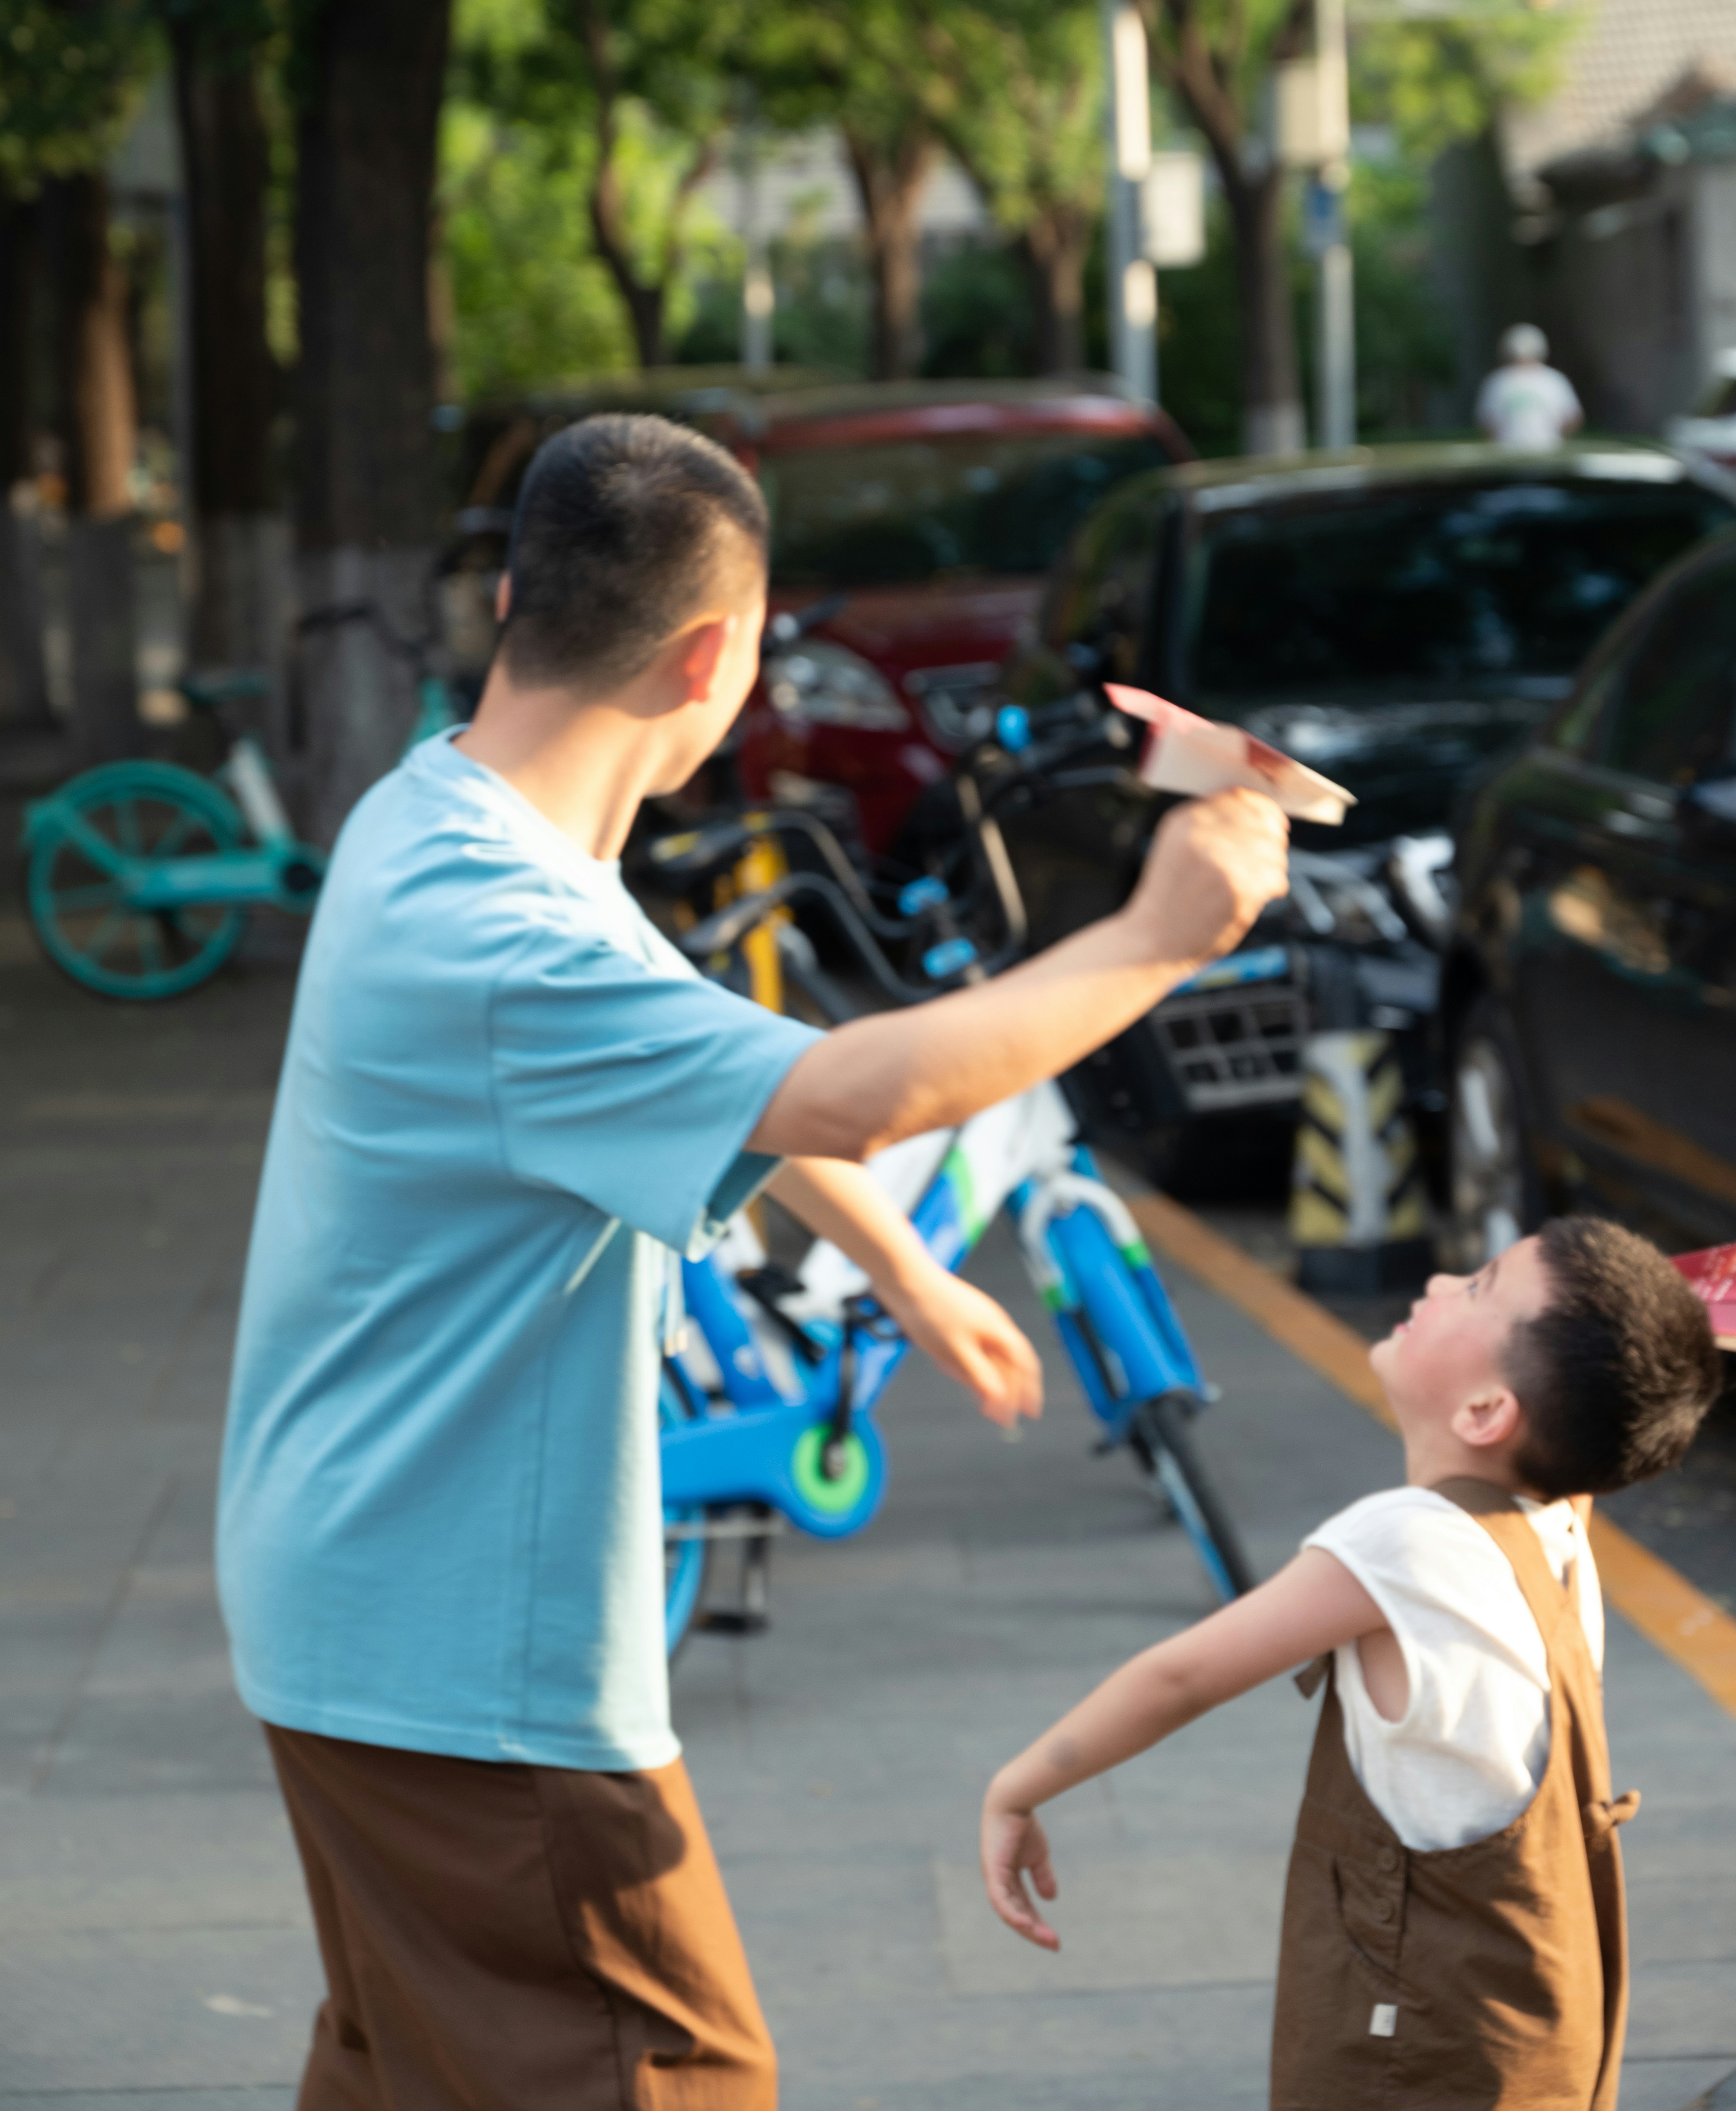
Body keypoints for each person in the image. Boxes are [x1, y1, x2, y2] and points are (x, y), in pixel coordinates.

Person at [217, 411, 1289, 2111]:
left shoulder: (441, 820)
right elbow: (848, 1093)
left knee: (416, 2066)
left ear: (514, 593)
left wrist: (921, 1281)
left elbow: (731, 1066)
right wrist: (1157, 935)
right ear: (715, 657)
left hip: (344, 1595)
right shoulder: (515, 931)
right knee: (672, 2071)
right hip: (462, 1654)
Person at [981, 1215, 1720, 2111]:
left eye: (1479, 1285)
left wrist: (1014, 1789)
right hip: (1537, 2032)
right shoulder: (1561, 1517)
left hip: (1412, 2050)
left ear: (1486, 1411)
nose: (1443, 1279)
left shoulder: (1403, 1544)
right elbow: (1620, 1372)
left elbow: (1180, 1675)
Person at [1476, 323, 1585, 450]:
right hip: (1548, 457)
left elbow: (1487, 424)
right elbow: (1573, 419)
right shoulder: (1555, 380)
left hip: (1508, 459)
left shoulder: (1497, 381)